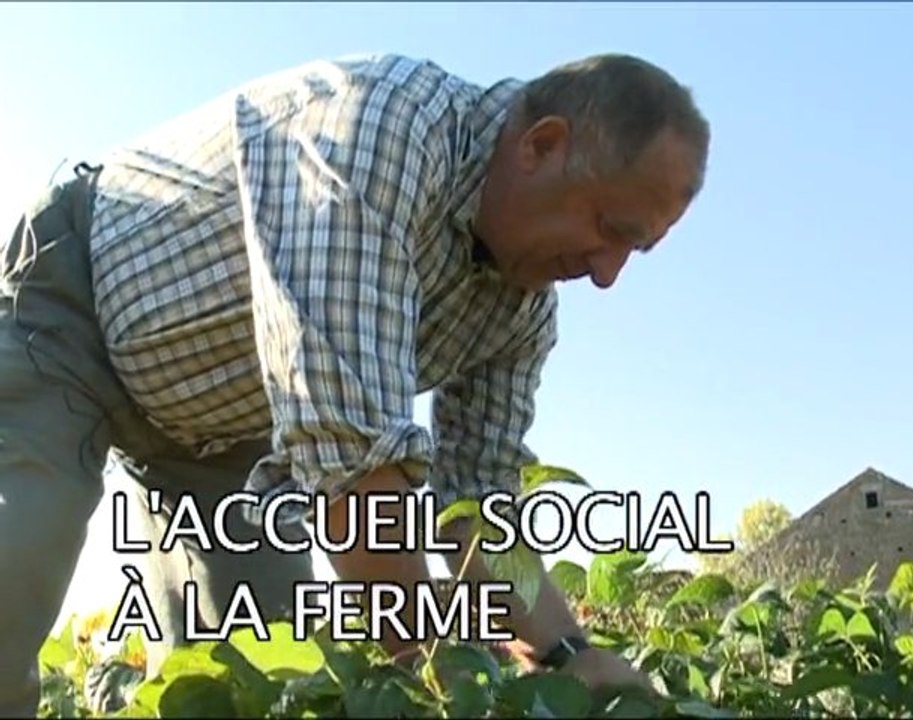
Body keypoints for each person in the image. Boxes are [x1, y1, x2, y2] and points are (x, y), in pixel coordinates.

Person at [0, 51, 709, 715]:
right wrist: (441, 667)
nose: (609, 273)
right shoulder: (386, 133)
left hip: (220, 433)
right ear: (541, 145)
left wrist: (568, 651)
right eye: (610, 228)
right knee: (10, 578)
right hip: (72, 315)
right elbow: (352, 462)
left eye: (634, 249)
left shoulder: (520, 311)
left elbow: (481, 509)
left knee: (256, 677)